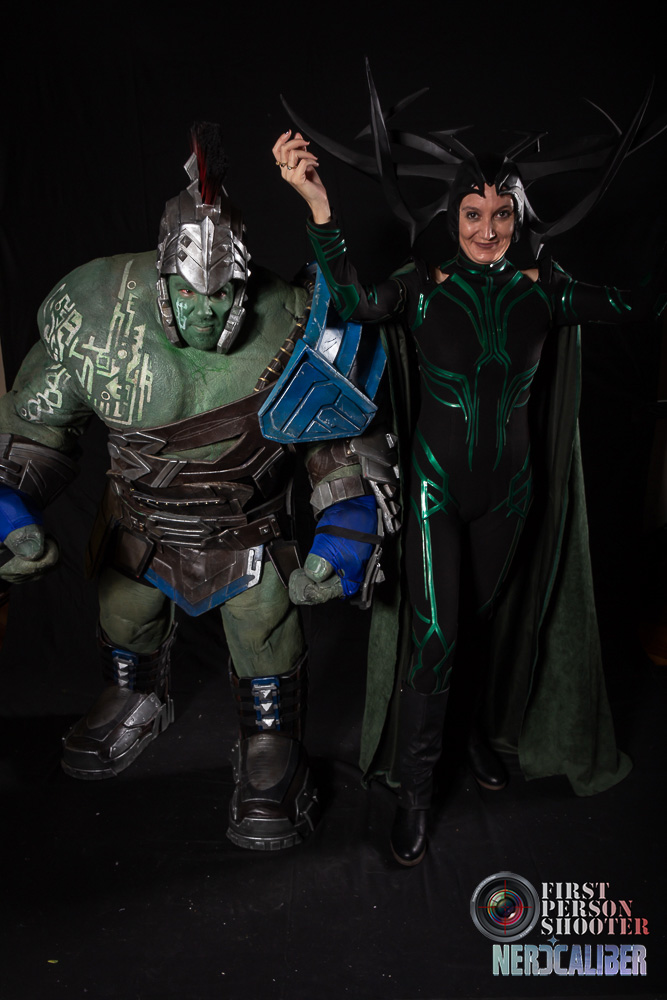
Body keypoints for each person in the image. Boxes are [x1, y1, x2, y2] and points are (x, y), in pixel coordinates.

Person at [272, 87, 663, 865]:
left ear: (519, 219)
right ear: (452, 218)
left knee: (480, 626)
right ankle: (416, 794)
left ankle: (472, 734)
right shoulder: (421, 290)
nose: (487, 231)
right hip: (434, 494)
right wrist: (317, 205)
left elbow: (638, 304)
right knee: (435, 635)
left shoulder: (544, 293)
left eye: (502, 215)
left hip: (510, 497)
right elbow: (352, 301)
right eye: (473, 214)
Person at [0, 123, 392, 852]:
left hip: (247, 532)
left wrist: (344, 528)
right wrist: (9, 502)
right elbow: (36, 424)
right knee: (124, 611)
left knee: (264, 628)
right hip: (138, 524)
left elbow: (337, 438)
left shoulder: (293, 315)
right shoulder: (93, 309)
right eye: (188, 292)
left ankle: (271, 740)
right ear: (161, 278)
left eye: (225, 293)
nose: (207, 310)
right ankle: (135, 694)